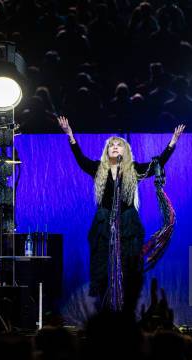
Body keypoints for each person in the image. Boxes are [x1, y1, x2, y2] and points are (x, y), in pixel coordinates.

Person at [58, 116, 185, 312]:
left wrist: (172, 143)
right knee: (104, 263)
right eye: (112, 145)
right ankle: (104, 306)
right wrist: (70, 136)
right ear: (107, 151)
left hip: (127, 221)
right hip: (104, 221)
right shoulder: (98, 169)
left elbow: (157, 163)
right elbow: (81, 160)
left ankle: (127, 306)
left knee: (128, 264)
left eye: (119, 145)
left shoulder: (133, 170)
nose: (115, 147)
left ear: (125, 151)